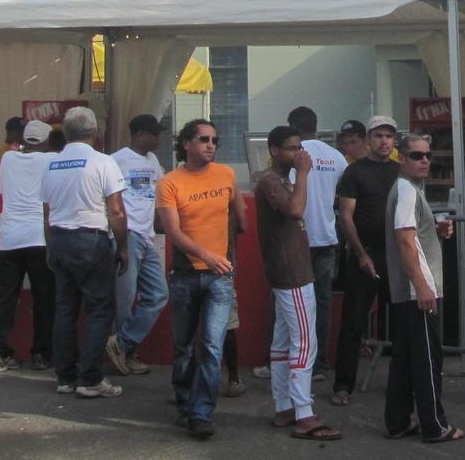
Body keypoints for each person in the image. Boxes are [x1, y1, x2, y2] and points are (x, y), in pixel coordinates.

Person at [155, 118, 247, 440]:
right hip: (184, 274)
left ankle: (202, 412)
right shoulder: (170, 182)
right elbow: (173, 232)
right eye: (204, 139)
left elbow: (238, 214)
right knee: (183, 347)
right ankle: (185, 403)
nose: (211, 145)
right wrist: (207, 254)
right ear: (187, 144)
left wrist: (229, 249)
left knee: (210, 344)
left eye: (214, 140)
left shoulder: (227, 175)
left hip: (220, 277)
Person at [255, 125, 343, 441]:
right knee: (305, 342)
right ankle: (305, 413)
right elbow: (295, 210)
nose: (300, 154)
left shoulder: (279, 180)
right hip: (292, 272)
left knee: (282, 342)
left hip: (289, 269)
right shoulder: (271, 181)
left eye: (300, 148)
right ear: (274, 151)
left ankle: (284, 407)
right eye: (292, 148)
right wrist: (304, 174)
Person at [40, 106, 129, 400]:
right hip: (92, 239)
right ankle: (90, 377)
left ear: (66, 133)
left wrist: (51, 246)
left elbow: (47, 211)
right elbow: (115, 210)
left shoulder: (51, 165)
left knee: (65, 310)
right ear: (94, 132)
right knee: (100, 309)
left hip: (61, 239)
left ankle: (65, 377)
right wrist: (123, 246)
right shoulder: (103, 162)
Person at [384, 133, 463, 443]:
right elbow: (404, 239)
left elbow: (412, 235)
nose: (425, 160)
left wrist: (436, 230)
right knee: (428, 360)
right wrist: (421, 286)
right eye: (417, 156)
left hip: (410, 289)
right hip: (418, 289)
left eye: (428, 155)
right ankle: (435, 425)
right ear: (401, 159)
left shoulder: (410, 190)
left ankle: (397, 421)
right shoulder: (406, 191)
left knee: (404, 358)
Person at [331, 114, 400, 406]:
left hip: (396, 258)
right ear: (369, 139)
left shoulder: (402, 170)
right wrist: (361, 254)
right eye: (378, 136)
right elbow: (346, 218)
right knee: (353, 323)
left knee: (400, 325)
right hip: (363, 257)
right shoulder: (354, 172)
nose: (384, 141)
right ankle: (342, 386)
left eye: (388, 136)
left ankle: (400, 382)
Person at [0, 119, 55, 372]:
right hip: (40, 237)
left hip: (10, 238)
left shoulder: (8, 159)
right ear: (46, 142)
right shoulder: (51, 161)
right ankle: (41, 354)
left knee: (4, 297)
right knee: (45, 299)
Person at [106, 113, 169, 377]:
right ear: (141, 134)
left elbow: (163, 188)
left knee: (158, 294)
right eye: (154, 134)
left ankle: (122, 344)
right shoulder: (115, 160)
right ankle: (125, 353)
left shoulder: (153, 161)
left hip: (146, 236)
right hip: (127, 235)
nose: (158, 139)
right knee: (124, 300)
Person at [287, 105, 345, 380]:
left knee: (288, 300)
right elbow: (343, 196)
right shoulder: (335, 157)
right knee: (321, 302)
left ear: (292, 127)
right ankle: (320, 363)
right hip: (326, 237)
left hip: (297, 237)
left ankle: (289, 360)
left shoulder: (294, 157)